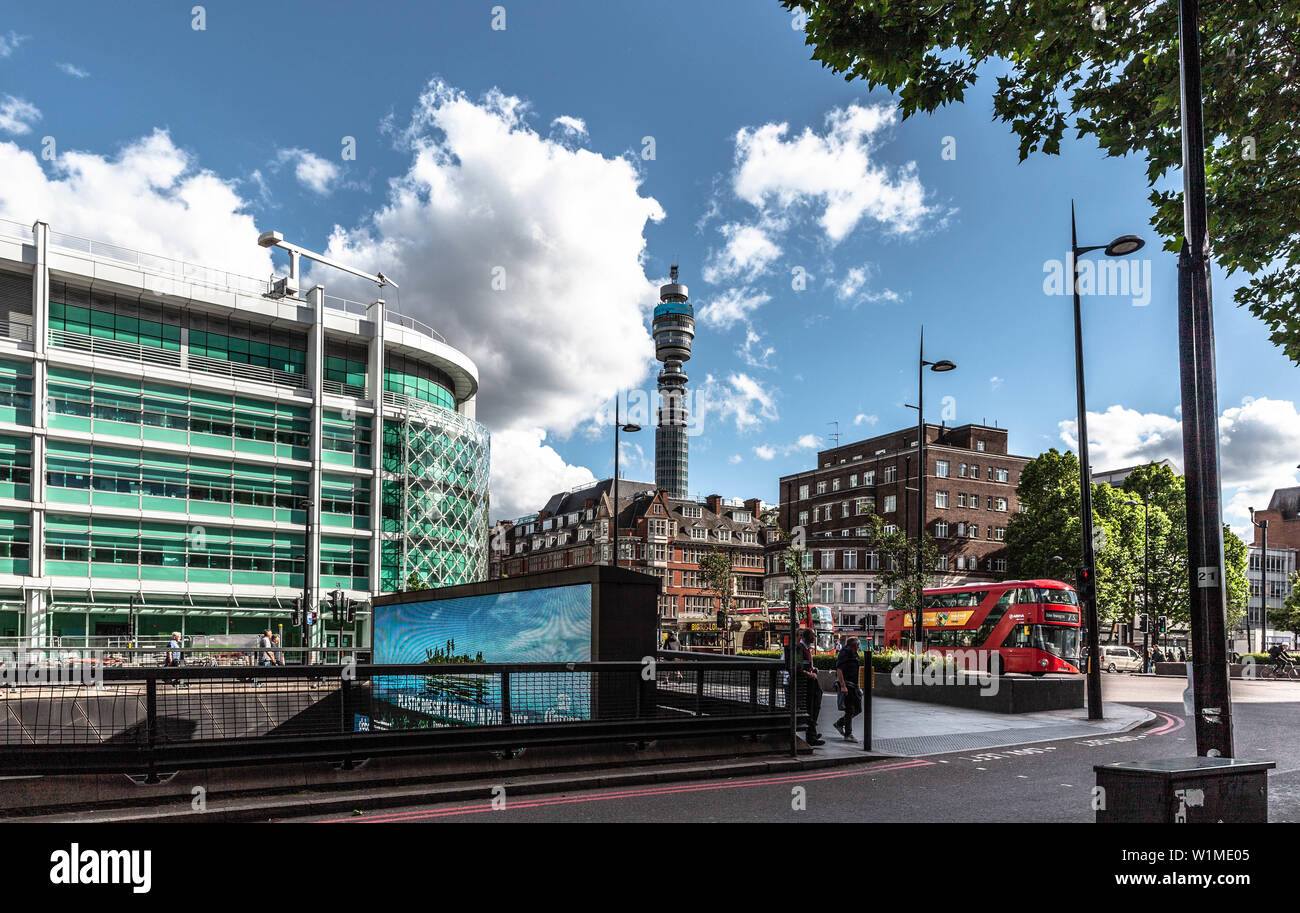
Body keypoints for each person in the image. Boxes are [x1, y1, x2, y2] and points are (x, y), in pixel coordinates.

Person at [833, 636, 863, 742]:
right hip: (847, 684)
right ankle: (848, 734)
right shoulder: (845, 653)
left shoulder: (854, 653)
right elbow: (839, 669)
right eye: (858, 645)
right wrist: (843, 685)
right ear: (853, 646)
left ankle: (840, 723)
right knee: (849, 709)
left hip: (854, 685)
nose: (859, 647)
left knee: (858, 709)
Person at [797, 628, 824, 746]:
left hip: (811, 681)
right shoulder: (799, 648)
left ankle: (812, 733)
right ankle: (811, 736)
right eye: (813, 636)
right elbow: (797, 667)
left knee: (815, 706)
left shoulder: (807, 649)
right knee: (810, 708)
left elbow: (806, 665)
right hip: (805, 683)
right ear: (806, 637)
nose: (814, 638)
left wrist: (812, 669)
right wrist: (809, 674)